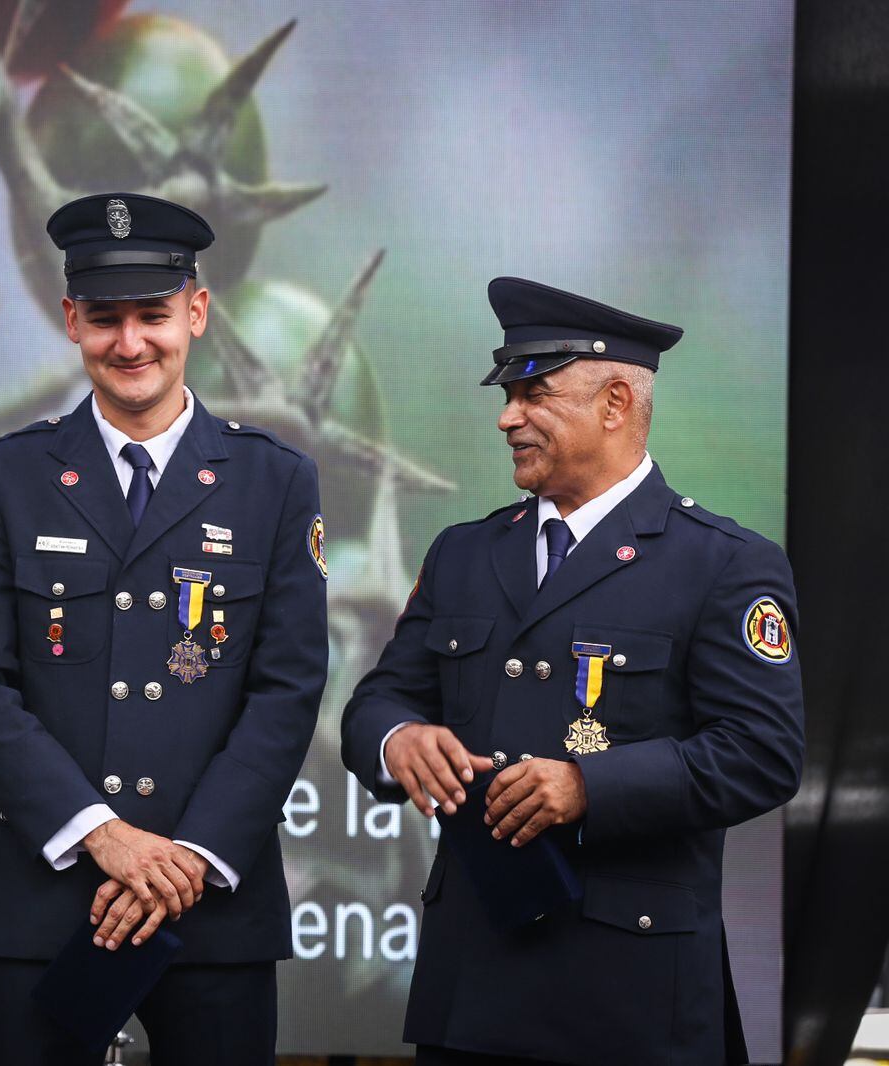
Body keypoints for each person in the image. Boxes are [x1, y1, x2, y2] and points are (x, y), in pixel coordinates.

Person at [341, 276, 804, 1065]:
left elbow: (763, 754)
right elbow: (377, 702)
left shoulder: (724, 563)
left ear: (616, 403)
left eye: (533, 394)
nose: (506, 416)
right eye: (508, 394)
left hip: (627, 1000)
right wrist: (398, 740)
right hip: (472, 988)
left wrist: (591, 787)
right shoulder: (464, 552)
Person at [0, 193, 329, 1065]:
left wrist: (186, 859)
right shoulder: (6, 476)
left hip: (213, 907)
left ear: (195, 312)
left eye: (154, 315)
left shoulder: (273, 482)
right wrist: (102, 836)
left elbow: (288, 688)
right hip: (50, 896)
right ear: (70, 318)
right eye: (106, 319)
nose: (131, 343)